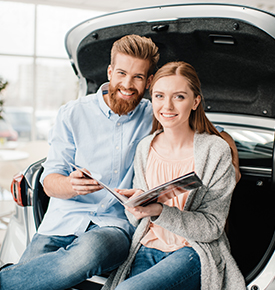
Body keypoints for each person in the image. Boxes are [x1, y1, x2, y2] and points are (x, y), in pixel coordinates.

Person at [0, 35, 239, 290]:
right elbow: (49, 183)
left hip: (113, 227)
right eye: (121, 73)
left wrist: (230, 157)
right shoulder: (73, 114)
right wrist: (69, 184)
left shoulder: (155, 114)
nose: (128, 84)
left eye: (138, 77)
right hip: (62, 222)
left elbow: (203, 130)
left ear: (149, 81)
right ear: (110, 72)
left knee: (87, 253)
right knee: (31, 279)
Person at [103, 61, 246, 290]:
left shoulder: (214, 150)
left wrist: (160, 212)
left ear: (195, 102)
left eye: (179, 97)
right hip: (147, 244)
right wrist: (137, 203)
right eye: (159, 96)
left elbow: (212, 227)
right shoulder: (145, 147)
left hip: (193, 250)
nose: (167, 106)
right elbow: (138, 219)